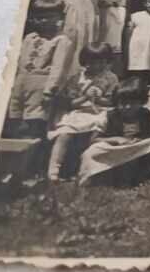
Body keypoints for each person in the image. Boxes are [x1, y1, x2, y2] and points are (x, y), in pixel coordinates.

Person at [47, 43, 119, 182]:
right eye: (92, 62)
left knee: (96, 132)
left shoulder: (111, 78)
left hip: (100, 111)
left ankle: (85, 169)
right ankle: (54, 170)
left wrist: (99, 98)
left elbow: (112, 102)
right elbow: (71, 104)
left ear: (107, 61)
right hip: (79, 111)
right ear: (85, 62)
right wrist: (85, 96)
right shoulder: (76, 78)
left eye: (101, 62)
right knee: (65, 133)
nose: (97, 66)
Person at [5, 0, 72, 140]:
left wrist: (50, 90)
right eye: (39, 18)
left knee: (34, 120)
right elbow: (18, 61)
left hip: (41, 85)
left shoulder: (61, 40)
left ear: (60, 18)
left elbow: (58, 67)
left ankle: (31, 152)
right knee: (15, 116)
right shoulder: (30, 38)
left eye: (49, 17)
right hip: (21, 82)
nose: (43, 21)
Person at [77, 79, 150, 186]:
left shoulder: (145, 114)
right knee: (92, 151)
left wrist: (141, 139)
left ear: (141, 102)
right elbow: (93, 139)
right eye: (123, 103)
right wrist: (116, 139)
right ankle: (92, 176)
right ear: (116, 103)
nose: (128, 107)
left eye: (133, 103)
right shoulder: (108, 116)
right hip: (114, 149)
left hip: (136, 147)